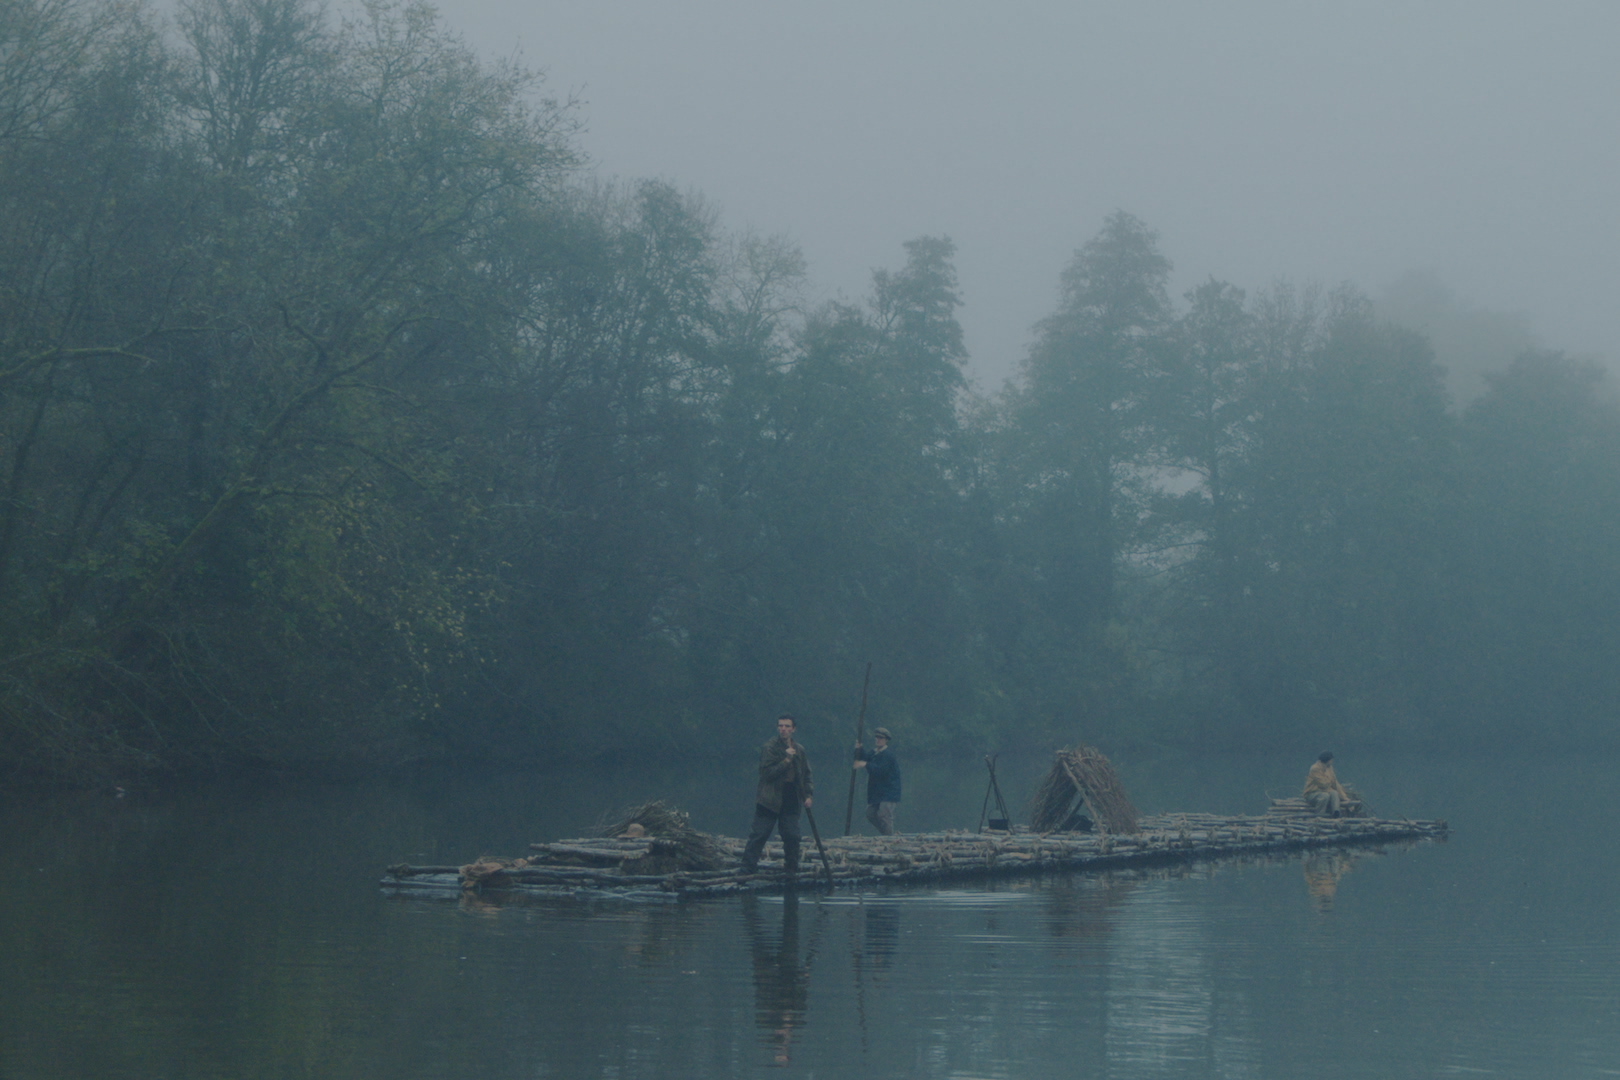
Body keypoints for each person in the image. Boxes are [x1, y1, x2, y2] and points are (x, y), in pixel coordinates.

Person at [740, 715, 814, 875]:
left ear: (793, 729)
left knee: (792, 836)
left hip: (791, 798)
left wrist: (808, 795)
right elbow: (767, 774)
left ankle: (791, 870)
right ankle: (747, 869)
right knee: (759, 834)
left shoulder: (799, 750)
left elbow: (806, 775)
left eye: (787, 726)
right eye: (781, 726)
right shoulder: (770, 748)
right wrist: (786, 760)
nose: (783, 729)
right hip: (769, 799)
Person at [853, 726, 901, 835]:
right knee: (871, 813)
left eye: (881, 738)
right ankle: (886, 834)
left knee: (884, 814)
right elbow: (863, 758)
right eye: (877, 737)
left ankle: (889, 838)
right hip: (877, 792)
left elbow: (880, 770)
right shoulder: (874, 753)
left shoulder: (888, 755)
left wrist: (865, 764)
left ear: (886, 740)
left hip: (889, 792)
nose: (878, 740)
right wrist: (859, 749)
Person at [1303, 751, 1354, 817]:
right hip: (1312, 793)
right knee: (1324, 796)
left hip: (1325, 791)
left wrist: (1344, 797)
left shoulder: (1329, 768)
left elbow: (1335, 783)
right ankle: (1319, 815)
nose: (1332, 761)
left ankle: (1336, 813)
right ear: (1328, 760)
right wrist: (1331, 781)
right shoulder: (1315, 768)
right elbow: (1323, 785)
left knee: (1334, 793)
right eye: (1331, 760)